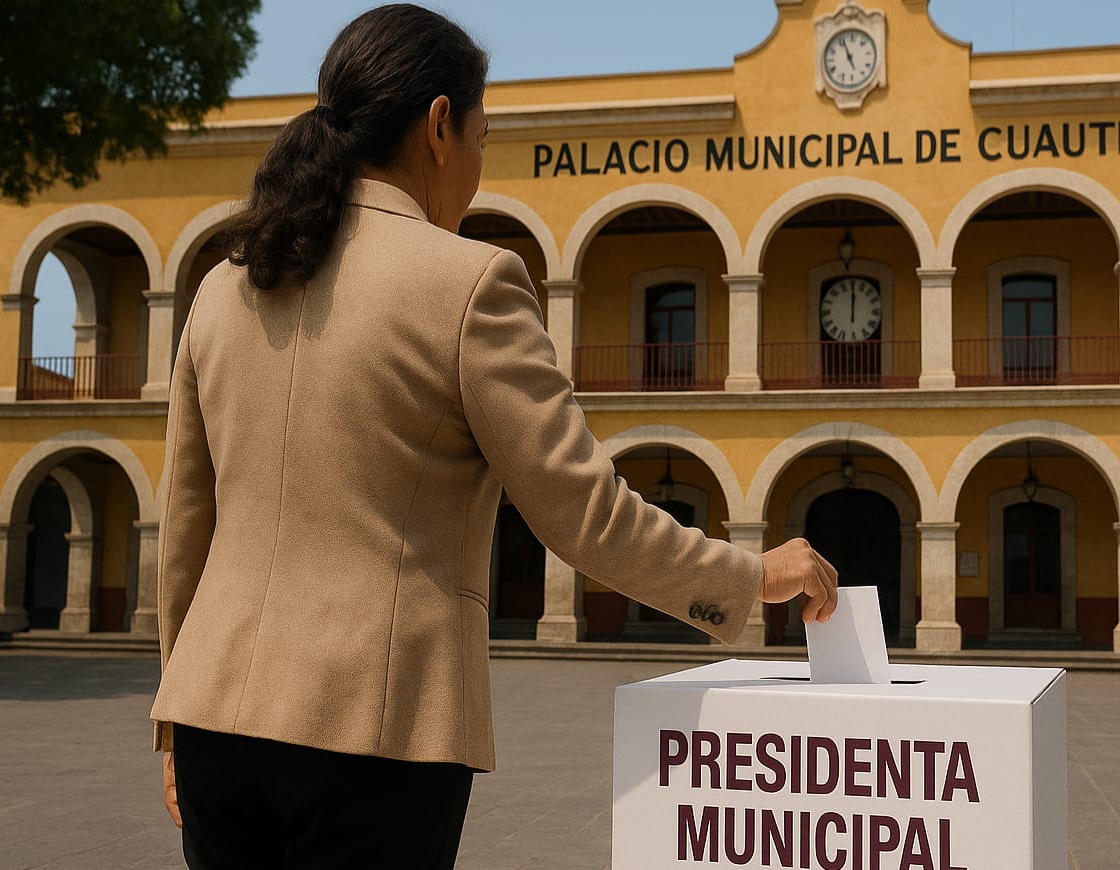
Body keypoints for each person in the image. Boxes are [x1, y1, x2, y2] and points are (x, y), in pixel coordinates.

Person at [150, 5, 839, 868]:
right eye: (482, 137)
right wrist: (749, 574)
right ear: (440, 125)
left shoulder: (224, 287)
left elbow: (186, 528)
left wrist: (174, 717)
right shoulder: (470, 282)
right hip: (378, 733)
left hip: (216, 726)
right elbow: (584, 513)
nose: (478, 167)